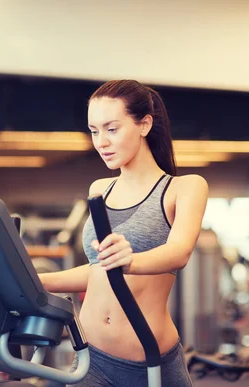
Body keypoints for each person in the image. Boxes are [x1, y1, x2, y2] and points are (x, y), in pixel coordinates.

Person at [39, 80, 208, 386]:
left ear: (144, 124)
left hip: (149, 364)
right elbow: (99, 271)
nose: (101, 141)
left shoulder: (184, 188)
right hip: (91, 359)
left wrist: (130, 260)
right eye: (94, 131)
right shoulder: (99, 190)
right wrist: (35, 281)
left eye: (112, 129)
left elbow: (178, 252)